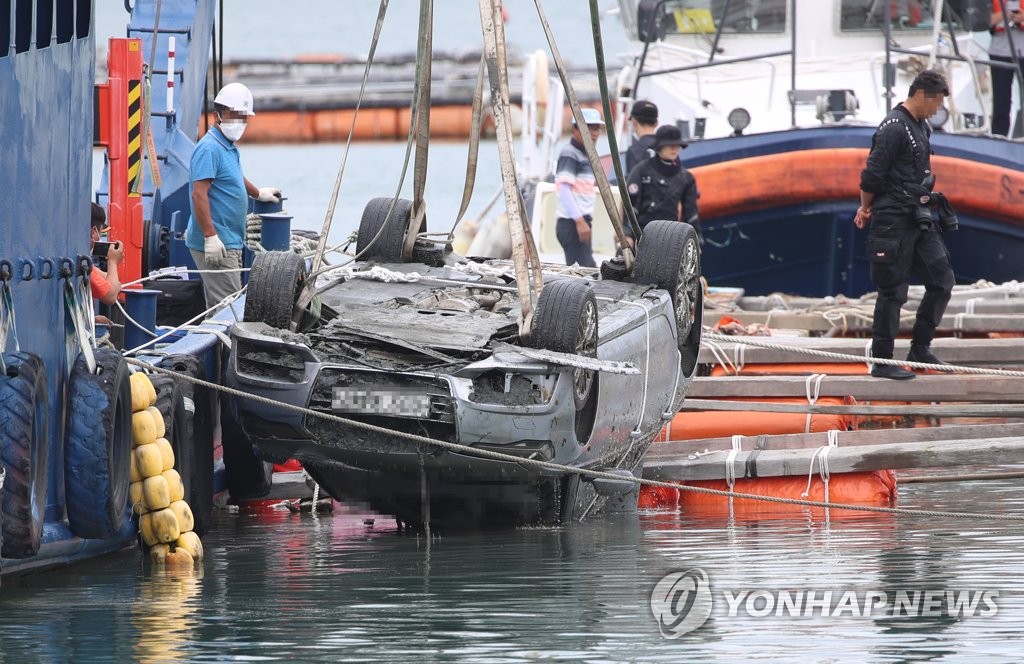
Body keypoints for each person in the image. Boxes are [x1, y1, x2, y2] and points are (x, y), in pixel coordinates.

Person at [854, 69, 955, 380]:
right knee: (893, 290)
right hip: (892, 218)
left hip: (918, 215)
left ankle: (919, 348)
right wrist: (865, 207)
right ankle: (882, 360)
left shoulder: (921, 126)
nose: (938, 109)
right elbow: (872, 175)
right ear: (921, 94)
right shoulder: (894, 128)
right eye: (936, 102)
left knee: (942, 280)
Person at [185, 82, 281, 308]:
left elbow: (234, 177)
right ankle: (224, 344)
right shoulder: (208, 148)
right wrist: (210, 236)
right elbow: (199, 194)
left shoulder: (227, 146)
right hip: (218, 241)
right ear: (219, 114)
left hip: (231, 240)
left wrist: (258, 193)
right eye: (235, 115)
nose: (241, 122)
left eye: (244, 117)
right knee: (228, 310)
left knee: (221, 306)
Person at [625, 124, 700, 246]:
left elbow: (691, 213)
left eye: (677, 145)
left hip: (671, 238)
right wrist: (627, 234)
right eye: (670, 145)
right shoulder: (641, 170)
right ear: (659, 147)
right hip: (642, 235)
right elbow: (630, 205)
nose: (674, 149)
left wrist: (696, 242)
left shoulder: (686, 178)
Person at [554, 107, 604, 268]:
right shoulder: (570, 153)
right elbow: (564, 190)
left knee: (586, 269)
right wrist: (580, 221)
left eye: (597, 129)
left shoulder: (585, 154)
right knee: (583, 272)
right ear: (575, 129)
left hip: (579, 222)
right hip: (572, 223)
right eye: (589, 128)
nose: (595, 133)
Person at [988, 0, 1024, 136]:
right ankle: (998, 138)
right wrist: (1001, 15)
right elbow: (976, 21)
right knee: (1001, 102)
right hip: (999, 52)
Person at [89, 202, 123, 308]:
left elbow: (104, 278)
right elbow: (110, 296)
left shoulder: (86, 264)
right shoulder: (83, 263)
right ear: (94, 232)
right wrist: (112, 261)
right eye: (101, 232)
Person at [624, 100, 659, 175]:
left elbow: (632, 184)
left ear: (634, 122)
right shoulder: (667, 146)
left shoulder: (634, 150)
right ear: (656, 123)